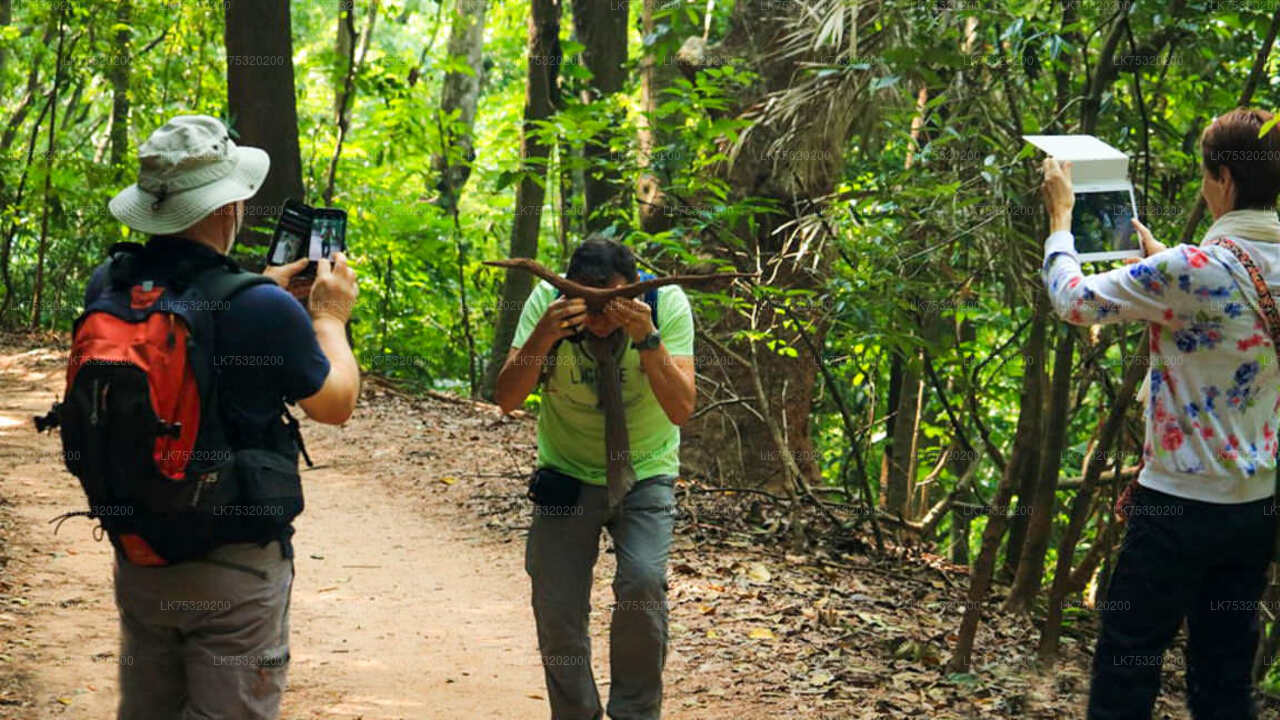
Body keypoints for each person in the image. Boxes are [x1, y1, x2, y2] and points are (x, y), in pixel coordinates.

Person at [96, 114, 360, 719]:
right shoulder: (261, 309)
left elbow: (189, 320)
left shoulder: (110, 286)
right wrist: (328, 318)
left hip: (139, 555)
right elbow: (335, 403)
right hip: (232, 568)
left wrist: (256, 287)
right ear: (224, 209)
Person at [1040, 107, 1280, 719]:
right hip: (1255, 509)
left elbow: (1074, 301)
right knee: (1224, 678)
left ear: (1223, 178)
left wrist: (1061, 222)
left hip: (1176, 507)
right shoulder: (1195, 268)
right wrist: (1166, 259)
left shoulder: (1187, 273)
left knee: (1129, 664)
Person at [494, 237, 696, 720]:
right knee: (556, 600)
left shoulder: (666, 304)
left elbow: (682, 408)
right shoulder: (548, 304)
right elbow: (506, 398)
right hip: (567, 471)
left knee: (643, 585)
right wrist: (544, 337)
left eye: (613, 304)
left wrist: (648, 340)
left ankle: (635, 712)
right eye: (590, 304)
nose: (601, 318)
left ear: (636, 292)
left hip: (646, 471)